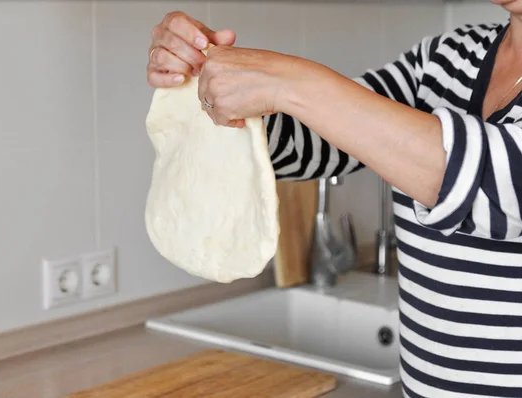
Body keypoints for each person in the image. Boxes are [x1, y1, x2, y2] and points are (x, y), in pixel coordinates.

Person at [147, 1, 522, 396]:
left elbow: (496, 188)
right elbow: (318, 141)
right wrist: (210, 78)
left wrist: (289, 82)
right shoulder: (445, 58)